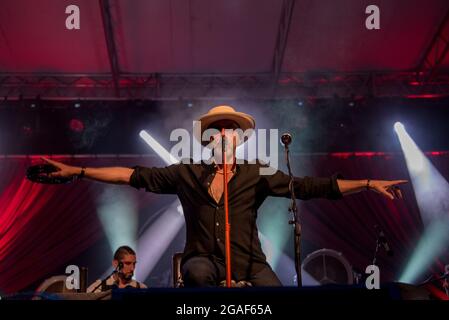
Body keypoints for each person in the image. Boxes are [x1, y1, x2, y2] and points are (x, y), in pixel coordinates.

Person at [42, 105, 407, 287]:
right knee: (198, 275)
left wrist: (370, 182)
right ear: (208, 139)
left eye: (230, 131)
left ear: (240, 139)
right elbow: (132, 175)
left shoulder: (255, 173)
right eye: (216, 131)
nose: (223, 135)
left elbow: (312, 187)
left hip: (250, 262)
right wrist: (78, 171)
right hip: (204, 261)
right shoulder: (187, 172)